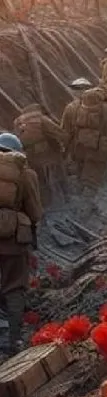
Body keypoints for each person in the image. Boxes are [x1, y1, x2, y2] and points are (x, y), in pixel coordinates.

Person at [0, 133, 42, 355]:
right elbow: (34, 211)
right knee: (14, 287)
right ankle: (13, 340)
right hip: (14, 242)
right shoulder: (26, 174)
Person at [61, 86, 107, 204]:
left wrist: (64, 154)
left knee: (79, 179)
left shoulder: (71, 108)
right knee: (91, 184)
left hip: (78, 150)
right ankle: (86, 211)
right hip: (98, 153)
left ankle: (75, 207)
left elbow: (64, 133)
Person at [13, 104, 67, 206]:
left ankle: (44, 203)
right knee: (59, 175)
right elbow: (59, 133)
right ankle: (65, 196)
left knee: (40, 180)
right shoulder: (42, 120)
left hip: (30, 156)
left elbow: (17, 138)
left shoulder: (17, 122)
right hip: (48, 153)